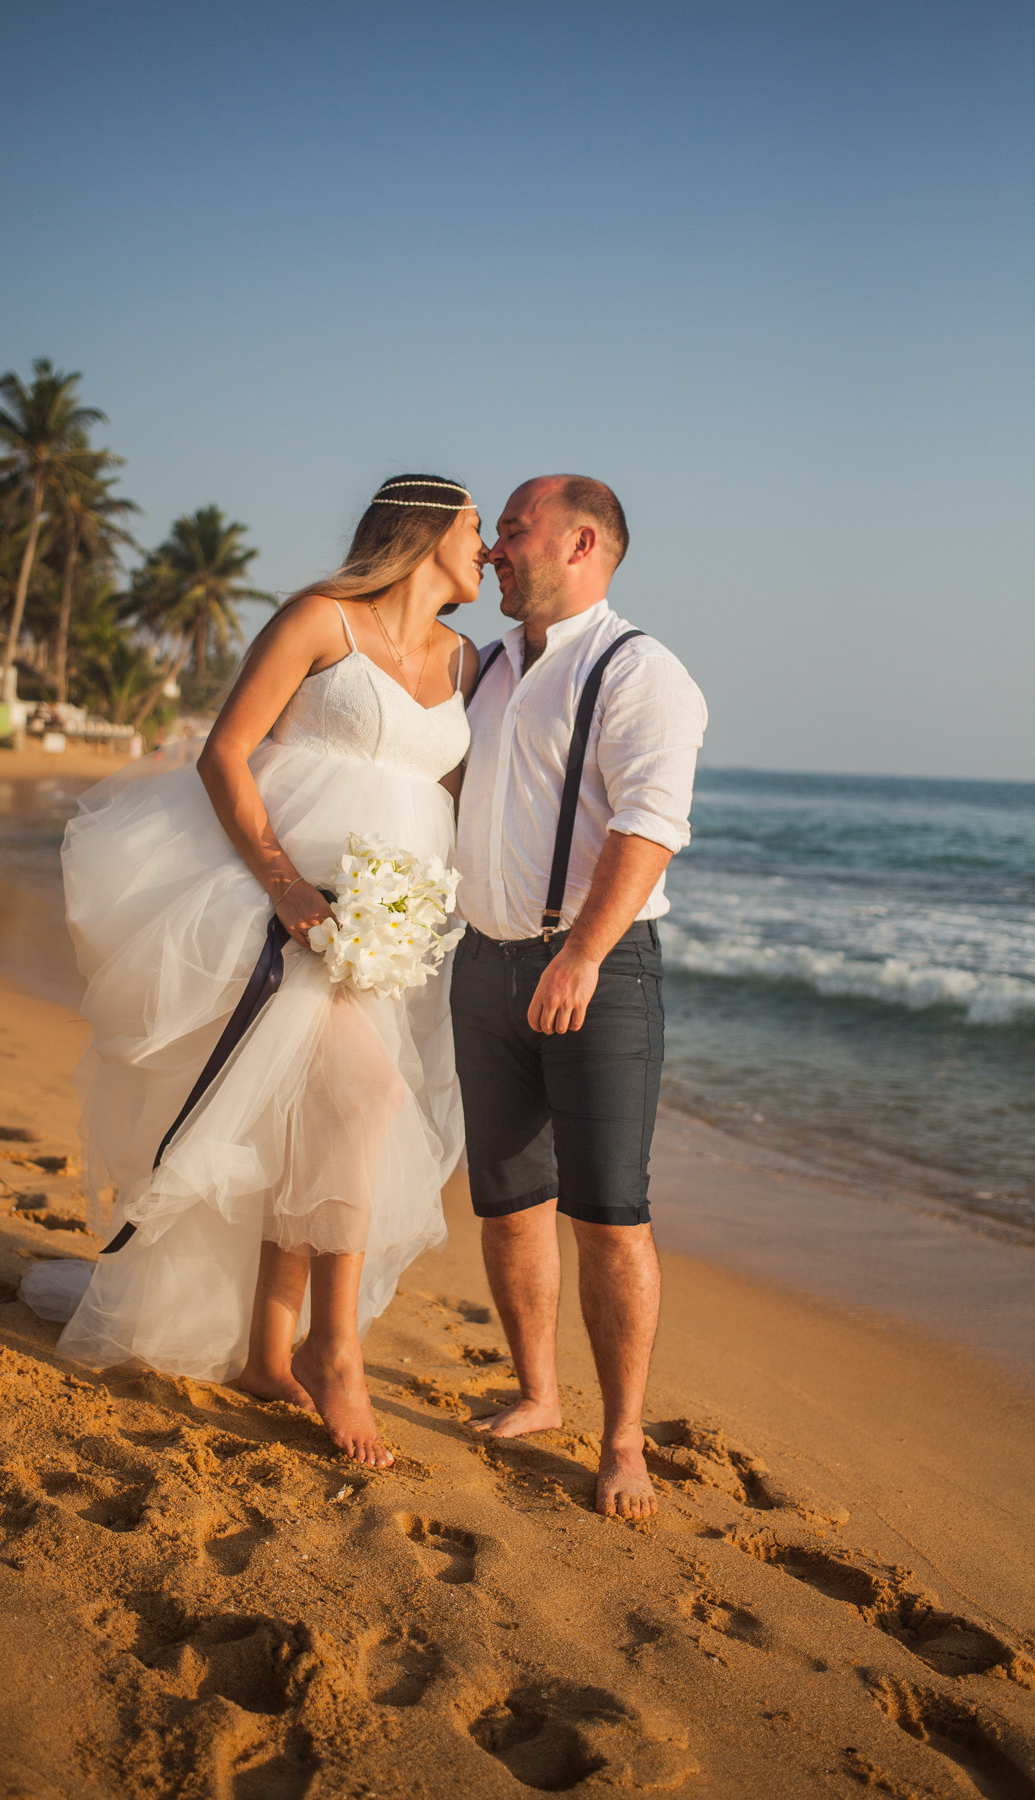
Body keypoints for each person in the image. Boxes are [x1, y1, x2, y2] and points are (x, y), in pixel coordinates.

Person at [20, 475, 484, 1467]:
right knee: (365, 1101)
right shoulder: (320, 619)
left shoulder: (467, 658)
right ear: (431, 530)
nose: (486, 550)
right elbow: (225, 754)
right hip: (284, 905)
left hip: (387, 923)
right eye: (478, 529)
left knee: (318, 1116)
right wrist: (285, 887)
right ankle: (336, 1354)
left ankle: (272, 1351)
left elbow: (449, 797)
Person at [450, 474, 707, 1519]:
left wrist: (583, 955)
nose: (494, 552)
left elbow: (650, 826)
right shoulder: (490, 667)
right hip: (484, 963)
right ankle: (539, 1395)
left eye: (514, 532)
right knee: (509, 1204)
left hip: (597, 971)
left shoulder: (642, 671)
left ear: (583, 541)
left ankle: (623, 1438)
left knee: (609, 1215)